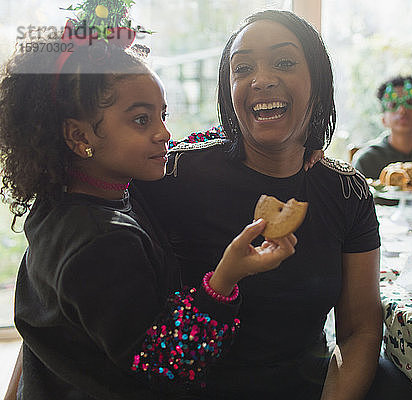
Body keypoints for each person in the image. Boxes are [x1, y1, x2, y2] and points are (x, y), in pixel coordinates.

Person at [0, 14, 297, 400]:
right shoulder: (100, 242)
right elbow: (166, 365)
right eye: (141, 119)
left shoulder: (75, 197)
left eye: (162, 114)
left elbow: (186, 145)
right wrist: (226, 277)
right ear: (78, 135)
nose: (164, 132)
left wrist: (282, 145)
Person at [134, 10, 383, 399]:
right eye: (243, 68)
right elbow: (76, 275)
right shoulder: (176, 175)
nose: (262, 79)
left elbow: (360, 330)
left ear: (318, 81)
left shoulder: (346, 191)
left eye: (284, 62)